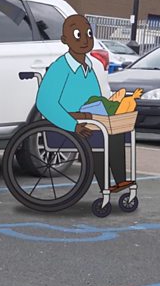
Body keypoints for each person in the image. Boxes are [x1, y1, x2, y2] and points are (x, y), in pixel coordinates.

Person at [36, 14, 133, 192]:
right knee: (107, 135)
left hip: (90, 118)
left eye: (88, 34)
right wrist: (73, 125)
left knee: (116, 130)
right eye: (78, 35)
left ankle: (115, 184)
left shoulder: (90, 66)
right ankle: (111, 185)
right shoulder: (60, 68)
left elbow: (97, 100)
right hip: (69, 123)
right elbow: (45, 103)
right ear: (65, 40)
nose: (85, 39)